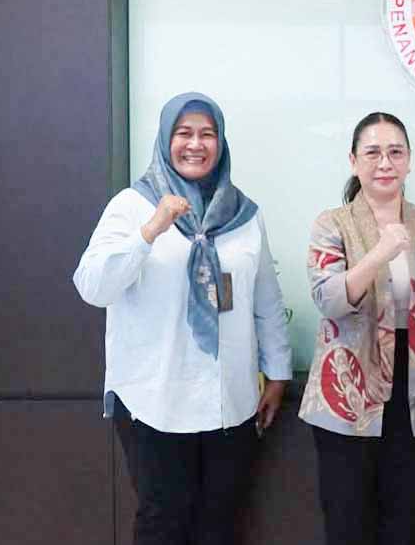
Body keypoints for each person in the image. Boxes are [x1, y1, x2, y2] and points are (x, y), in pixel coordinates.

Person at [73, 92, 293, 545]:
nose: (195, 144)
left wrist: (277, 374)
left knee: (221, 524)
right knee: (163, 521)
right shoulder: (132, 206)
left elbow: (265, 300)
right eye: (184, 133)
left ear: (221, 143)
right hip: (153, 401)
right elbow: (93, 287)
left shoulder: (245, 215)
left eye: (207, 134)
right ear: (165, 139)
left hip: (229, 400)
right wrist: (151, 230)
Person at [298, 112, 415, 545]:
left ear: (409, 161)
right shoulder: (332, 224)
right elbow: (329, 300)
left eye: (395, 152)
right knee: (347, 523)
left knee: (404, 521)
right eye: (373, 153)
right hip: (347, 391)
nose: (385, 163)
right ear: (353, 161)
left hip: (414, 391)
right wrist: (380, 253)